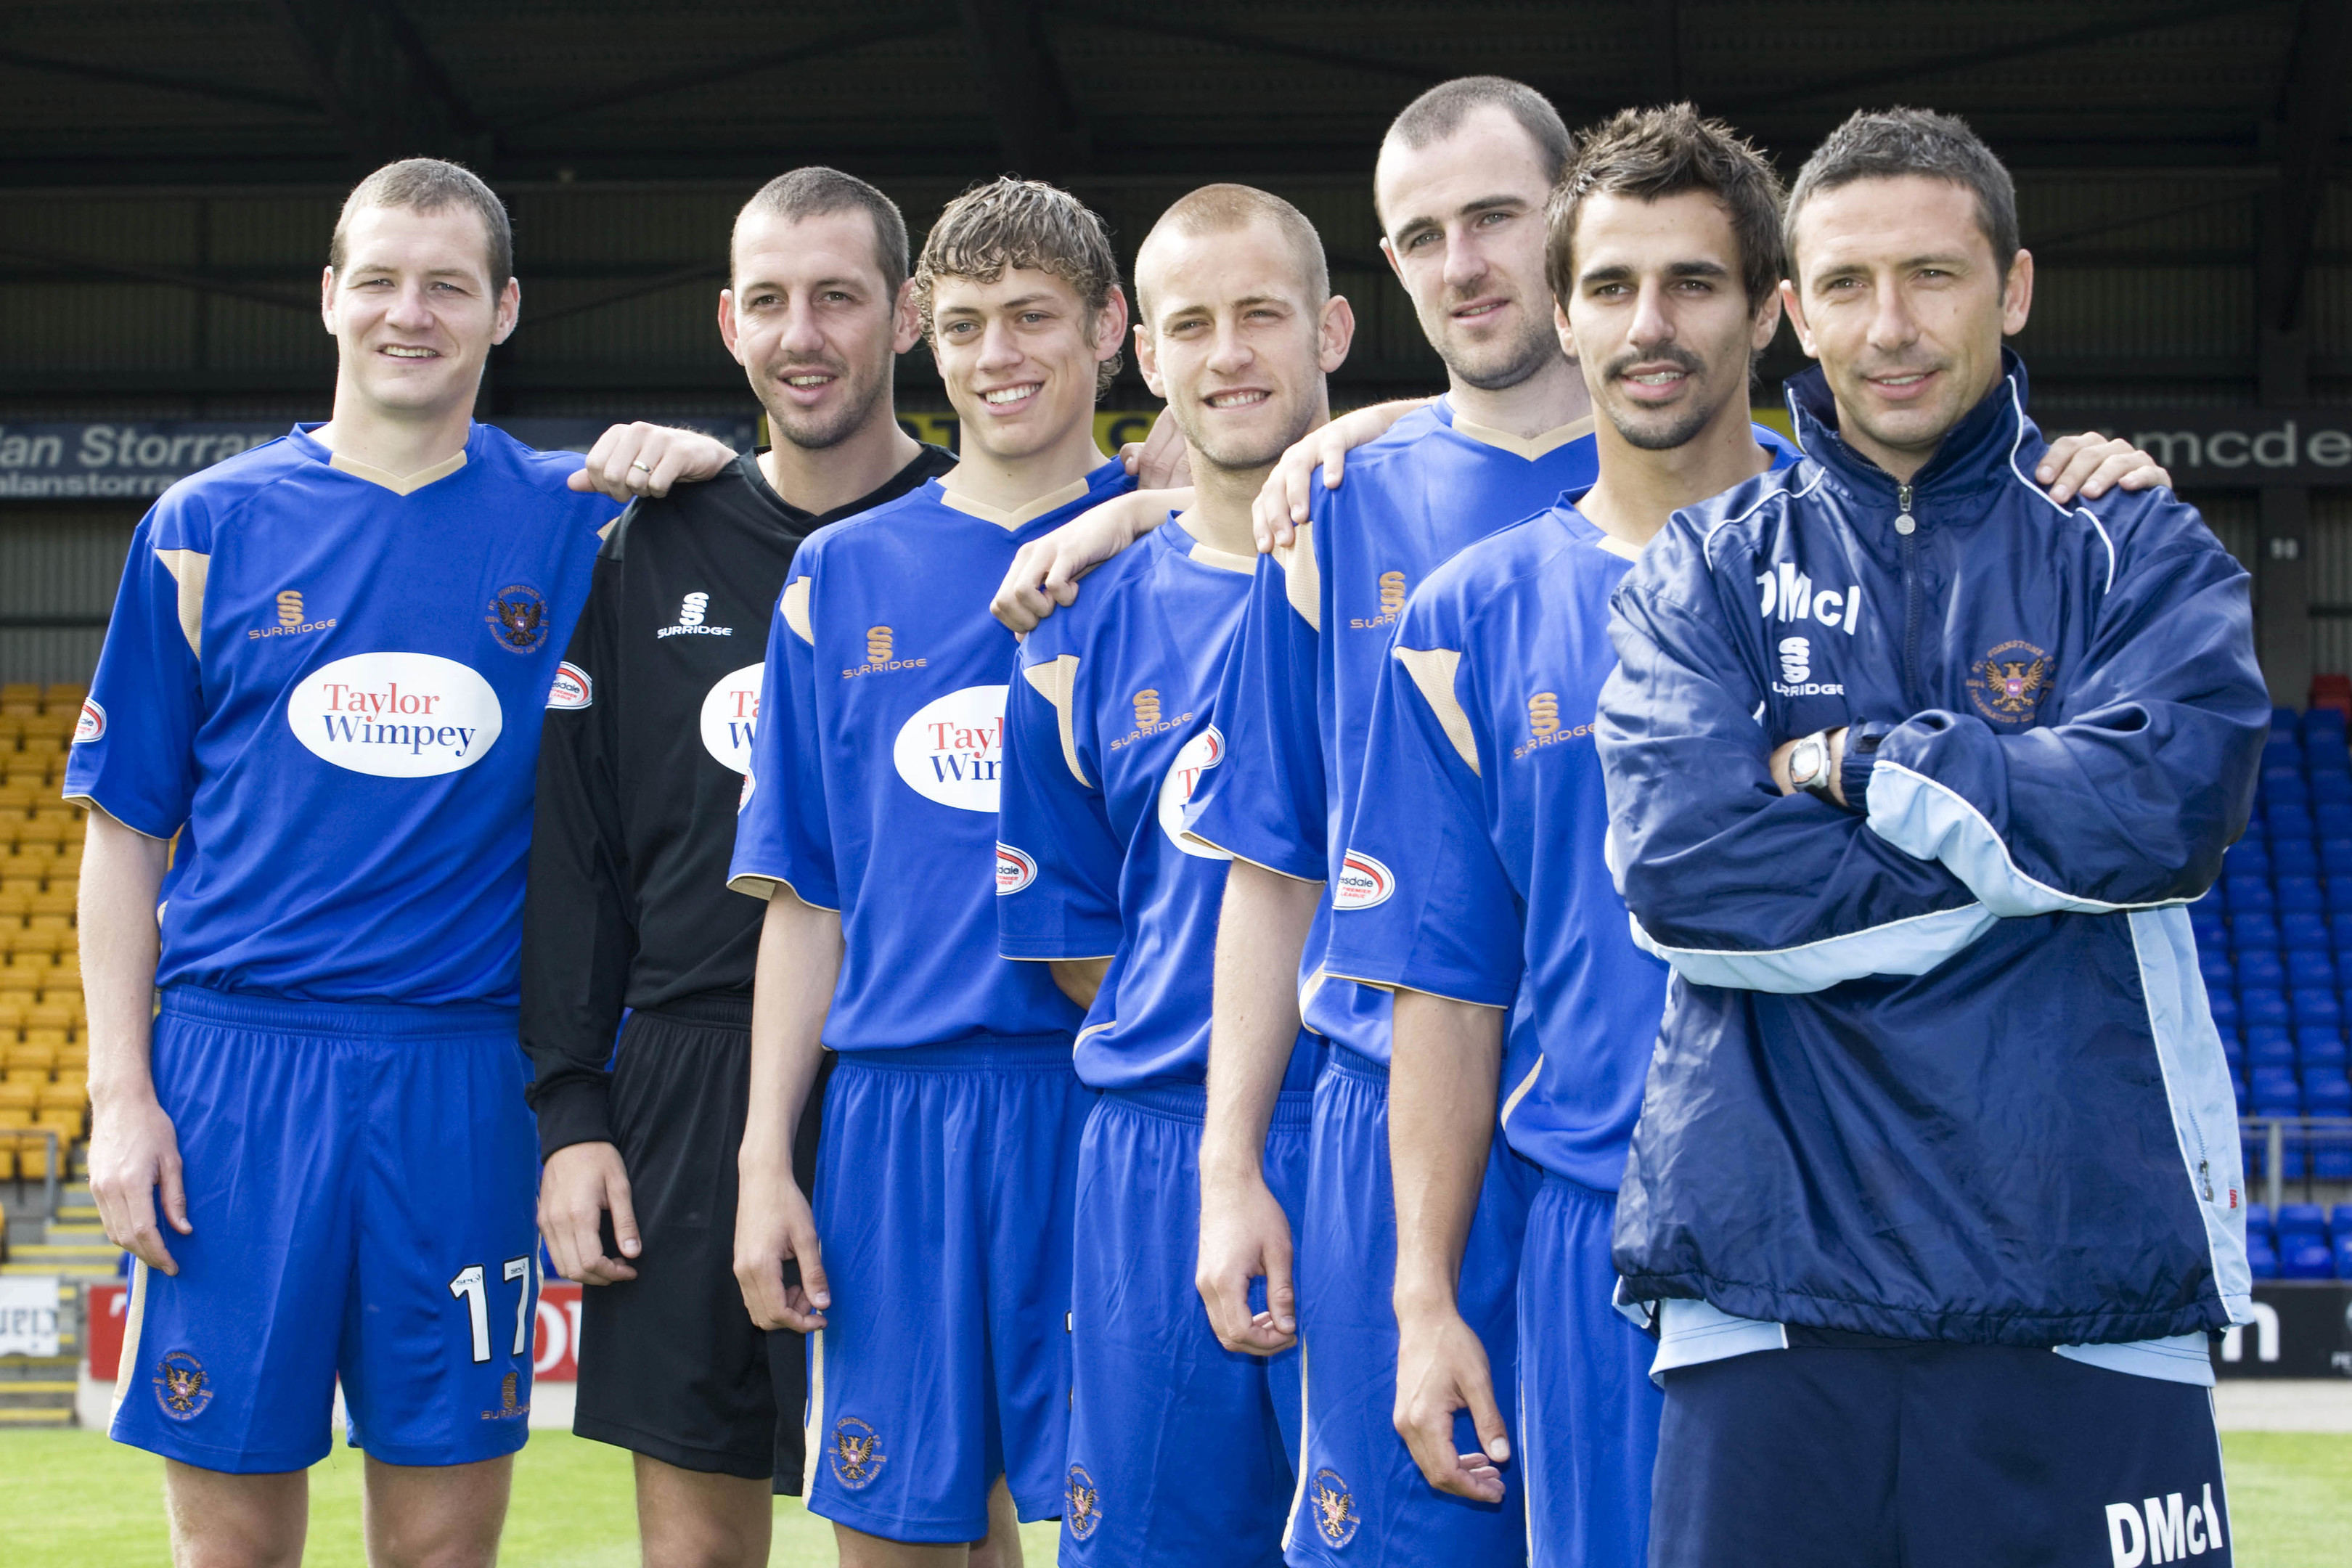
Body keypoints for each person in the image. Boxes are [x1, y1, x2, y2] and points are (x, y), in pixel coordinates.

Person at [1596, 107, 2261, 1568]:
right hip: (1769, 1284)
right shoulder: (1699, 576)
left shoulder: (2135, 547)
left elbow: (2161, 813)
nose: (1888, 327)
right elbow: (1693, 876)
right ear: (1791, 314)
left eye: (1933, 277)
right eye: (1844, 285)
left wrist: (1864, 764)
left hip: (2085, 1272)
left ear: (2012, 290)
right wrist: (2024, 834)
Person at [72, 158, 626, 1568]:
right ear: (330, 297)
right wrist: (122, 1096)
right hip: (234, 1079)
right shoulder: (203, 528)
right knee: (232, 1550)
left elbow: (806, 521)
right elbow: (126, 831)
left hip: (465, 1079)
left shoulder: (583, 519)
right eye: (379, 279)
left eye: (448, 284)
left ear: (505, 310)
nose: (409, 313)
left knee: (442, 1550)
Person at [1323, 105, 1800, 1568]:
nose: (1649, 326)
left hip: (1852, 1244)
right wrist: (1421, 1299)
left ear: (1771, 313)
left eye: (1695, 285)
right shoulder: (1467, 617)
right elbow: (1449, 992)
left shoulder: (1878, 562)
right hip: (1593, 1241)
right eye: (1610, 288)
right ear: (1564, 312)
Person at [520, 167, 958, 1568]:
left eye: (839, 297)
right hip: (685, 1086)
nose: (804, 333)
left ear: (908, 317)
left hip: (913, 1076)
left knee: (936, 1527)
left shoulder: (993, 539)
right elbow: (577, 855)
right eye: (770, 301)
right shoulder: (648, 545)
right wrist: (575, 1111)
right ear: (726, 324)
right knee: (696, 1546)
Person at [724, 176, 1132, 1564]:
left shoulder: (1185, 546)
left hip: (1107, 1108)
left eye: (1034, 317)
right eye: (965, 324)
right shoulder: (837, 577)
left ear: (1112, 333)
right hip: (895, 1121)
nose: (999, 354)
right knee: (897, 1540)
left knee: (1121, 1527)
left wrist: (1147, 513)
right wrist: (766, 1158)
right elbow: (806, 901)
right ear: (923, 336)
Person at [995, 184, 1351, 1568]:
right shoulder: (1073, 634)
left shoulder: (1431, 575)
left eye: (1261, 314)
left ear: (1330, 327)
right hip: (1151, 1147)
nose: (1230, 355)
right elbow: (1089, 938)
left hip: (1378, 1130)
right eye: (1192, 325)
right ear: (1145, 353)